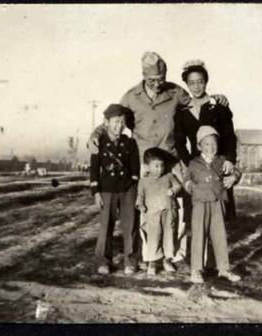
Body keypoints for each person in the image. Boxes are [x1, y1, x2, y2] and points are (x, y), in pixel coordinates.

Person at [87, 52, 229, 268]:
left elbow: (197, 102)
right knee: (144, 211)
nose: (157, 84)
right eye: (152, 80)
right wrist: (96, 134)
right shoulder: (130, 97)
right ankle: (149, 256)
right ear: (144, 76)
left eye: (161, 79)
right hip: (143, 163)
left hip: (170, 161)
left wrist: (216, 98)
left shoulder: (175, 92)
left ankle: (176, 256)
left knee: (175, 209)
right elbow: (113, 119)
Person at [175, 59, 238, 221]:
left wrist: (230, 159)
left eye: (200, 82)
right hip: (197, 166)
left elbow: (230, 136)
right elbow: (179, 143)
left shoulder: (218, 106)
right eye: (191, 83)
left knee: (219, 215)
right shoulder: (183, 112)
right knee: (197, 216)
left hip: (218, 163)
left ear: (206, 82)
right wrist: (190, 163)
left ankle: (218, 245)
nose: (196, 87)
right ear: (186, 85)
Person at [183, 126, 241, 284]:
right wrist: (191, 188)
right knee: (198, 235)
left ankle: (223, 269)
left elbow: (236, 172)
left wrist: (233, 178)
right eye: (206, 144)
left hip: (217, 202)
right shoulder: (194, 163)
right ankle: (196, 270)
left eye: (214, 143)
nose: (211, 147)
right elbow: (186, 180)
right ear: (199, 146)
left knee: (220, 235)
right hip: (200, 204)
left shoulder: (222, 160)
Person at [90, 104, 140, 275]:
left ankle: (131, 261)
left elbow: (135, 169)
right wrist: (96, 192)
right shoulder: (98, 143)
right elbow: (94, 170)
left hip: (127, 190)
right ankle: (103, 261)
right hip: (107, 190)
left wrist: (133, 188)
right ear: (106, 122)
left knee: (130, 225)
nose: (119, 126)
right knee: (106, 227)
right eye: (116, 121)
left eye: (122, 122)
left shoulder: (130, 143)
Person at [136, 147, 182, 276]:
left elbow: (178, 186)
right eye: (156, 166)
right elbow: (140, 196)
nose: (160, 169)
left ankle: (167, 260)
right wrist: (141, 205)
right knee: (154, 237)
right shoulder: (143, 181)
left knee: (169, 235)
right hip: (152, 214)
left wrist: (173, 191)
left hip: (169, 211)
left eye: (162, 165)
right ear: (147, 166)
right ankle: (152, 261)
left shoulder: (169, 176)